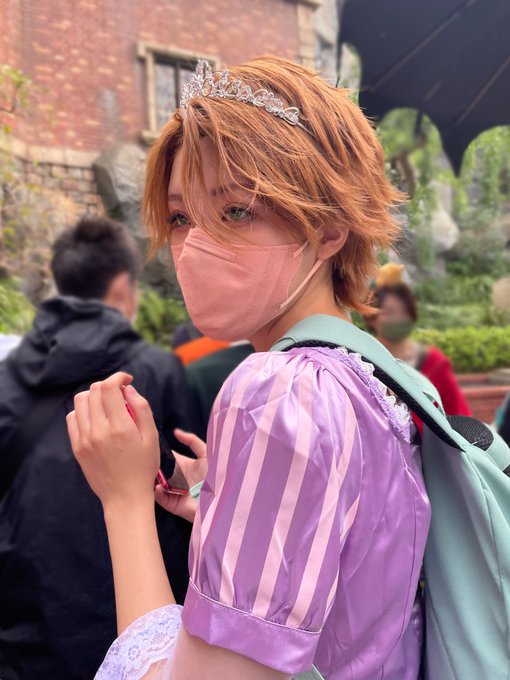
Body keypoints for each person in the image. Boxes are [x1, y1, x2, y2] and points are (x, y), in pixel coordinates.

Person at [67, 58, 431, 679]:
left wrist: (123, 501)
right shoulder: (375, 381)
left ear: (328, 229)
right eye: (181, 217)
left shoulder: (278, 392)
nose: (196, 244)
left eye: (236, 211)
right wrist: (230, 503)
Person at [0, 216, 191, 680]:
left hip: (22, 641)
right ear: (123, 290)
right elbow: (183, 500)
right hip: (125, 640)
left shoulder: (7, 378)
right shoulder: (154, 374)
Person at [368, 265, 471, 424]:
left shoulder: (435, 363)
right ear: (372, 318)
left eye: (405, 312)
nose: (399, 319)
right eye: (390, 312)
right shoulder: (364, 362)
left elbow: (462, 420)